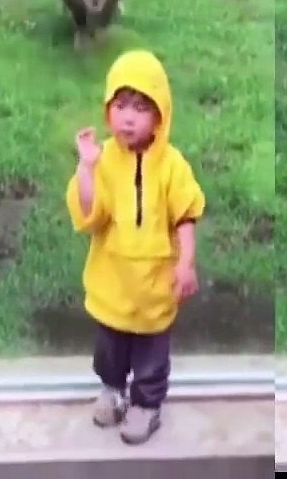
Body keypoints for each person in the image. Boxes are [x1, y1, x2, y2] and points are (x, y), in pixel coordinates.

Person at [64, 48, 206, 445]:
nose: (128, 117)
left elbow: (186, 215)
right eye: (121, 105)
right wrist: (87, 168)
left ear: (161, 114)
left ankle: (146, 405)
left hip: (154, 287)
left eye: (142, 107)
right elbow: (90, 214)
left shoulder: (172, 165)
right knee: (110, 350)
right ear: (108, 109)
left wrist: (186, 264)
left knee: (150, 356)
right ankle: (112, 390)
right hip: (113, 283)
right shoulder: (104, 159)